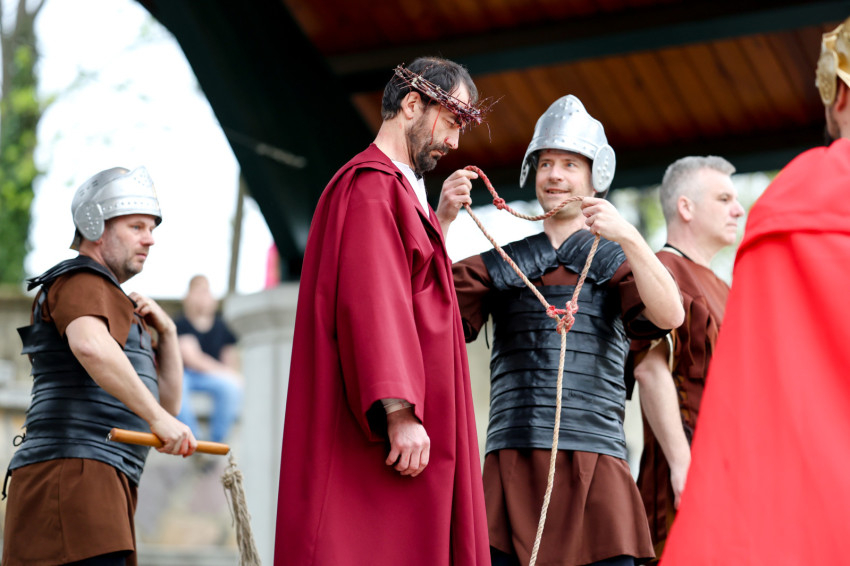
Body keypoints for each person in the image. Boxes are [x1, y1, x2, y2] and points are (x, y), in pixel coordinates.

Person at [443, 95, 684, 566]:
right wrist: (443, 221)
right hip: (510, 468)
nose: (555, 175)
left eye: (570, 164)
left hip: (598, 467)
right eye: (546, 163)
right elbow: (422, 315)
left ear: (596, 177)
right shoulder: (500, 263)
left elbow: (670, 315)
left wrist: (629, 236)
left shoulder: (619, 260)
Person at [274, 57, 490, 565]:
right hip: (387, 431)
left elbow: (411, 281)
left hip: (414, 423)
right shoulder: (371, 185)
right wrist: (399, 410)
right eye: (452, 120)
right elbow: (373, 303)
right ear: (412, 104)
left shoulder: (395, 188)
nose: (454, 141)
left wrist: (440, 221)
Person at [660, 17, 850, 565]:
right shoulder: (672, 269)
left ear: (838, 93)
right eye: (722, 200)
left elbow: (761, 400)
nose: (736, 210)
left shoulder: (799, 199)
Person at [2, 166, 197, 566]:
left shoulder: (116, 302)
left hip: (99, 478)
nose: (150, 238)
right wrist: (158, 419)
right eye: (137, 226)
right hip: (72, 476)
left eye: (151, 228)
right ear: (95, 226)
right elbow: (91, 347)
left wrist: (169, 333)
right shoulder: (80, 280)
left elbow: (169, 407)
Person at [627, 156, 744, 563]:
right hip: (684, 486)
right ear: (686, 207)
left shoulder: (724, 288)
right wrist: (683, 466)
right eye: (724, 198)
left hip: (729, 480)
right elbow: (650, 369)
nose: (738, 209)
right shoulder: (663, 271)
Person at [174, 274, 242, 444]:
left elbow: (230, 359)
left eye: (205, 292)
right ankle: (193, 439)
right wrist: (226, 373)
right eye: (197, 292)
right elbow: (192, 358)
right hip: (185, 375)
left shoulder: (222, 327)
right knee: (178, 383)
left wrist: (230, 375)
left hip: (211, 377)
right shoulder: (180, 324)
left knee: (231, 388)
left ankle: (216, 443)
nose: (202, 297)